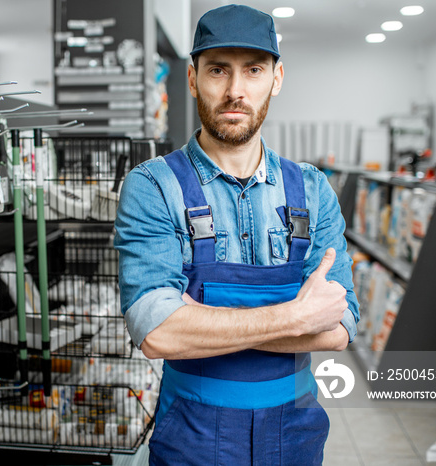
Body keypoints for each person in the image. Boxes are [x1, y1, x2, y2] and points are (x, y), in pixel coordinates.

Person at [114, 4, 360, 465]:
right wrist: (297, 316)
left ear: (277, 78)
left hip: (295, 433)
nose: (235, 91)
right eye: (217, 70)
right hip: (193, 434)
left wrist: (202, 322)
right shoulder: (152, 186)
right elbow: (158, 333)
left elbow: (338, 327)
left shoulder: (311, 189)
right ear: (192, 78)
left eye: (253, 70)